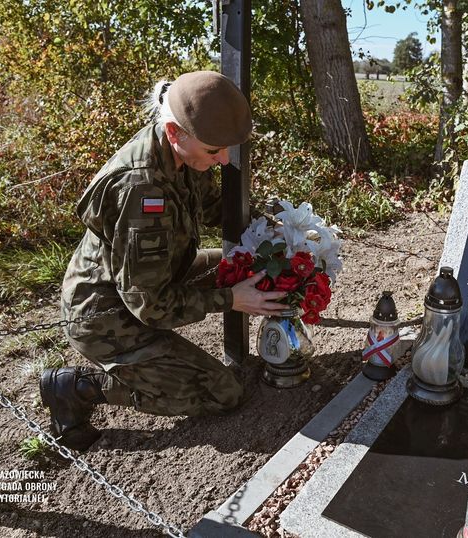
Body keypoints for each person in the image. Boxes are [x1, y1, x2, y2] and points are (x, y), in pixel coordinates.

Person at [40, 71, 289, 451]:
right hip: (107, 316)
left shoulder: (180, 152)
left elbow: (210, 208)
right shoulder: (142, 192)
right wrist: (230, 299)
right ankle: (80, 388)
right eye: (213, 151)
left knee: (234, 262)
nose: (223, 160)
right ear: (175, 133)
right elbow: (150, 307)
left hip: (155, 278)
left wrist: (272, 226)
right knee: (223, 393)